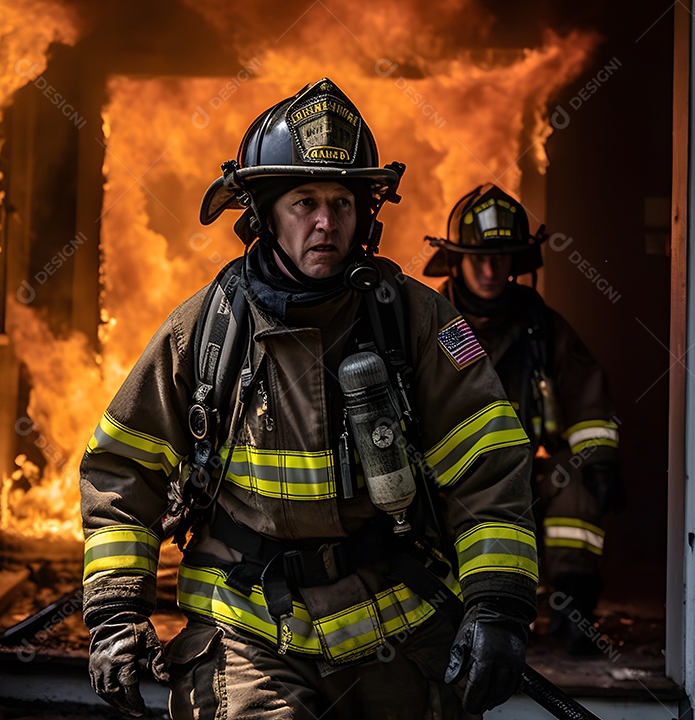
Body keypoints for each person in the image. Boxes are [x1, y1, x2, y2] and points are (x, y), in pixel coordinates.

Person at [80, 79, 540, 719]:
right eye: (304, 202)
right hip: (245, 629)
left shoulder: (420, 322)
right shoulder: (203, 330)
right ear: (265, 213)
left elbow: (489, 469)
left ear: (365, 214)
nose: (327, 222)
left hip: (397, 622)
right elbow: (124, 469)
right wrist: (115, 613)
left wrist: (499, 605)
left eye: (342, 202)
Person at [423, 184, 623, 655]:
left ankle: (572, 614)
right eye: (480, 259)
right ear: (456, 261)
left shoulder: (542, 326)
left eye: (503, 258)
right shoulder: (427, 321)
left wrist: (600, 460)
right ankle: (451, 619)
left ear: (519, 262)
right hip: (445, 475)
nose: (492, 270)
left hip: (525, 473)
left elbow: (586, 395)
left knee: (575, 484)